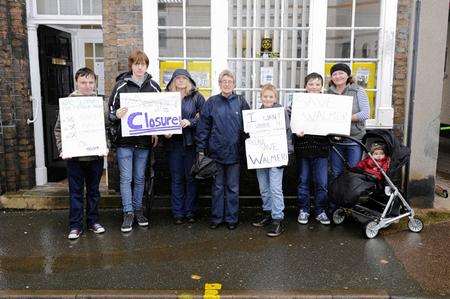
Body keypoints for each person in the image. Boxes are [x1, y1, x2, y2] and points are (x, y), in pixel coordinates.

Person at [108, 50, 160, 233]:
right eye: (136, 64)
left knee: (139, 178)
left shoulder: (153, 86)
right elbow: (110, 113)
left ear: (147, 66)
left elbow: (159, 112)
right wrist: (117, 114)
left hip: (144, 142)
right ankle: (128, 212)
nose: (139, 67)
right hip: (125, 141)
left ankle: (138, 210)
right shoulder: (120, 86)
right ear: (131, 66)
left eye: (143, 64)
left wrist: (156, 132)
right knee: (126, 178)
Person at [54, 67, 107, 240]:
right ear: (77, 82)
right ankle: (75, 226)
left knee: (93, 191)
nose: (87, 85)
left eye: (91, 82)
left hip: (95, 156)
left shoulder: (99, 102)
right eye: (83, 82)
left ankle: (93, 222)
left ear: (95, 83)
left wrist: (106, 145)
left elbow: (106, 128)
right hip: (75, 157)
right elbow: (59, 129)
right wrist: (63, 149)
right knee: (75, 192)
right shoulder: (69, 103)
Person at [196, 69, 250, 230]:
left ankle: (232, 219)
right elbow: (203, 127)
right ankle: (217, 218)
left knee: (233, 187)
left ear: (234, 84)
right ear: (219, 84)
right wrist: (201, 148)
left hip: (235, 153)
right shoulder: (211, 102)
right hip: (215, 153)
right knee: (218, 187)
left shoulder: (241, 102)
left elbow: (249, 124)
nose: (227, 84)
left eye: (230, 82)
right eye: (223, 81)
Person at [164, 69, 205, 224]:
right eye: (177, 78)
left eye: (183, 78)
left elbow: (205, 116)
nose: (180, 81)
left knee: (191, 179)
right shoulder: (166, 98)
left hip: (190, 143)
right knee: (176, 179)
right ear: (173, 81)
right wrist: (164, 133)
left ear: (188, 81)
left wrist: (191, 122)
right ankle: (178, 213)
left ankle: (190, 212)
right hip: (173, 144)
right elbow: (159, 117)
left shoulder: (197, 97)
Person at [251, 84, 293, 237]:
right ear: (261, 97)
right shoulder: (256, 114)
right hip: (261, 156)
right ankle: (268, 212)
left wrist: (286, 154)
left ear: (275, 98)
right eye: (265, 96)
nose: (268, 99)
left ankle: (277, 218)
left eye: (271, 96)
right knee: (264, 187)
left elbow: (288, 134)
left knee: (275, 187)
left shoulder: (281, 113)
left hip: (276, 156)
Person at [293, 73, 331, 225]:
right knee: (303, 180)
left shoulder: (328, 104)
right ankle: (304, 210)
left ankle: (320, 211)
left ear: (321, 87)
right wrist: (296, 130)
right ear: (305, 86)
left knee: (322, 182)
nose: (314, 87)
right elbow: (292, 121)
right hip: (303, 148)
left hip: (321, 149)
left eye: (317, 84)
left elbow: (333, 122)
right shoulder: (298, 103)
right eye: (311, 84)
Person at [327, 63, 370, 179]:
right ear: (331, 77)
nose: (338, 76)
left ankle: (351, 198)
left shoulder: (358, 90)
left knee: (353, 173)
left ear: (348, 75)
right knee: (336, 173)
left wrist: (344, 118)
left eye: (341, 73)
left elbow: (365, 113)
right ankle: (337, 197)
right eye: (334, 74)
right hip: (335, 140)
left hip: (354, 139)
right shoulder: (328, 93)